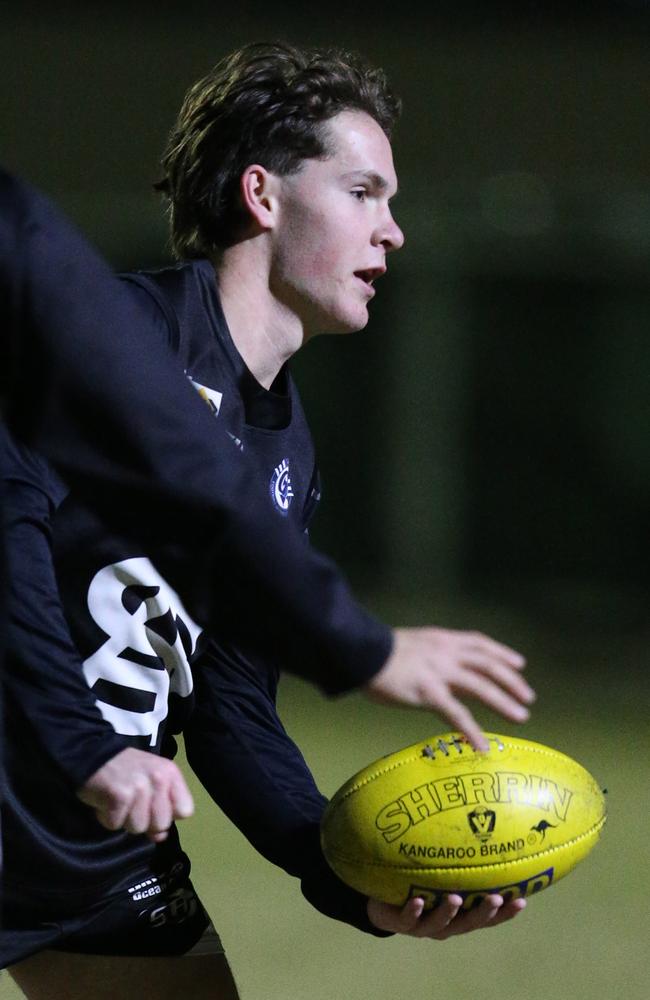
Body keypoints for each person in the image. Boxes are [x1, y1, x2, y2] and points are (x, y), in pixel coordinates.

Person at [1, 42, 534, 999]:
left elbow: (230, 703)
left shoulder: (285, 449)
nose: (394, 233)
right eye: (365, 192)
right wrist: (83, 743)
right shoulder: (115, 344)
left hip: (92, 850)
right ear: (263, 195)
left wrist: (344, 875)